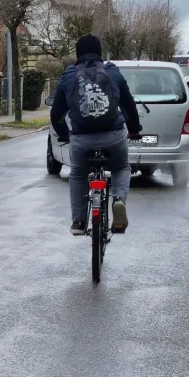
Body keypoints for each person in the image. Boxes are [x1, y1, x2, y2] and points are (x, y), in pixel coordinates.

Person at [49, 35, 141, 236]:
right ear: (100, 52)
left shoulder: (69, 76)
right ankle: (118, 199)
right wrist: (134, 129)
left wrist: (67, 135)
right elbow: (129, 106)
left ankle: (79, 221)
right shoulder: (112, 73)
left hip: (82, 140)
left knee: (78, 174)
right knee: (122, 167)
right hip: (114, 136)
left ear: (77, 53)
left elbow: (56, 115)